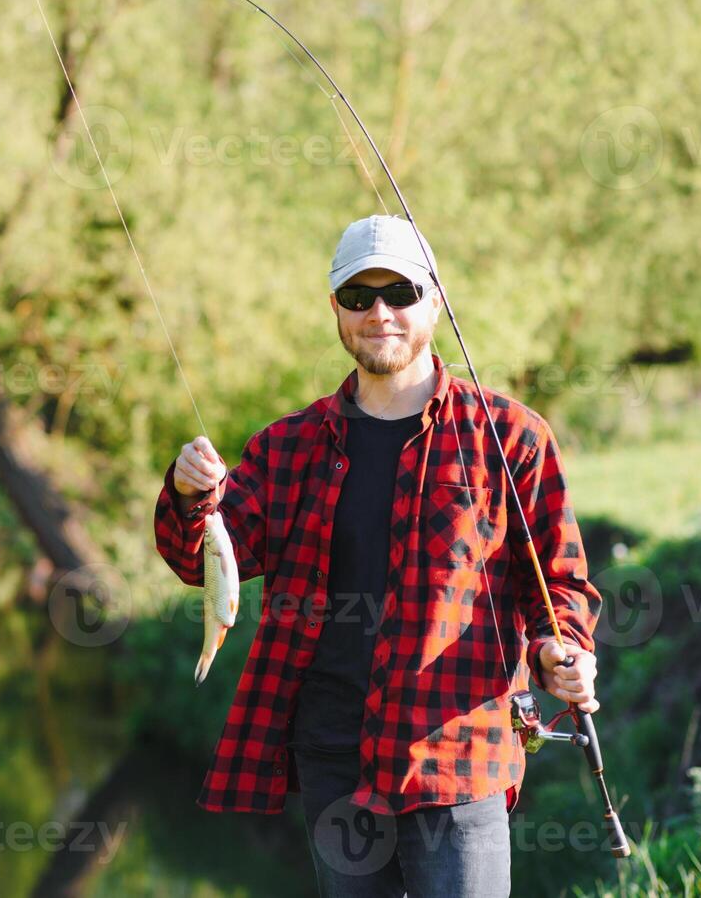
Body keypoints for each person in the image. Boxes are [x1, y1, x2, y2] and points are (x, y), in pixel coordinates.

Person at [153, 215, 603, 897]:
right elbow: (206, 560)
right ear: (335, 309)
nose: (380, 313)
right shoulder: (287, 447)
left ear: (435, 300)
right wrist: (189, 497)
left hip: (458, 753)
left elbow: (560, 582)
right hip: (333, 754)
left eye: (399, 292)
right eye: (358, 297)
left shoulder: (511, 437)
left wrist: (558, 649)